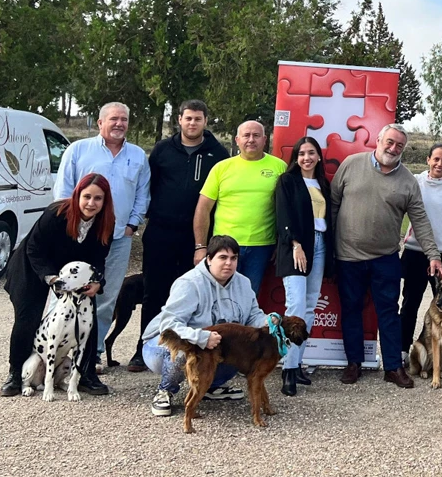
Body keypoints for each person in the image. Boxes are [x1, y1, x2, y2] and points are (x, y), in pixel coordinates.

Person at [331, 124, 442, 388]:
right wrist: (331, 247)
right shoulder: (351, 164)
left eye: (399, 146)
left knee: (389, 313)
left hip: (386, 258)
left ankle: (393, 366)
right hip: (348, 257)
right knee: (351, 310)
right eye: (390, 142)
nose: (393, 149)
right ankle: (353, 363)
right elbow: (334, 204)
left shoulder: (407, 181)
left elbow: (420, 220)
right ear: (378, 139)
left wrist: (433, 255)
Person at [54, 101, 150, 386]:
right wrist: (67, 227)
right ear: (99, 123)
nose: (119, 124)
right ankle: (60, 353)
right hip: (80, 236)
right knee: (68, 291)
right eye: (113, 119)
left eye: (124, 119)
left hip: (119, 238)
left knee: (106, 297)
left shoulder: (137, 156)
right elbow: (62, 191)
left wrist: (133, 224)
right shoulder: (79, 150)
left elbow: (143, 194)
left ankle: (92, 354)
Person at [132, 99, 229, 372]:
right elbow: (148, 188)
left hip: (196, 237)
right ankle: (144, 348)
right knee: (154, 291)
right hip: (161, 232)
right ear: (179, 120)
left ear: (205, 121)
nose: (192, 123)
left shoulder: (218, 154)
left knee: (192, 295)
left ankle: (188, 351)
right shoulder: (162, 150)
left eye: (198, 119)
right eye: (188, 118)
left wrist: (205, 242)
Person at [0, 174, 115, 397]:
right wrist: (51, 278)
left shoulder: (107, 222)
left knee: (87, 316)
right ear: (77, 195)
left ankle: (87, 374)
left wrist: (97, 283)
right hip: (33, 267)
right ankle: (16, 373)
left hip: (72, 272)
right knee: (28, 318)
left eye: (98, 198)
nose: (91, 203)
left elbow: (99, 258)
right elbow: (34, 249)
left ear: (105, 201)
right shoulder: (57, 213)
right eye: (87, 197)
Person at [141, 235, 265, 417]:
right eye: (222, 257)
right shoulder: (189, 283)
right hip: (160, 346)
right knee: (185, 351)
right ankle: (165, 391)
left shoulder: (244, 283)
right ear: (208, 259)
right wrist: (201, 337)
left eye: (233, 258)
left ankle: (209, 387)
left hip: (213, 346)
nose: (228, 263)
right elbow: (169, 326)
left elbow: (253, 316)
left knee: (244, 348)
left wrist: (270, 322)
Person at [193, 120, 286, 293]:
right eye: (246, 135)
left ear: (265, 139)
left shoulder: (279, 167)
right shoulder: (221, 168)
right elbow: (203, 209)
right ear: (237, 140)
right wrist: (201, 247)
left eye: (256, 135)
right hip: (224, 246)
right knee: (218, 296)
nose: (251, 139)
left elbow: (287, 210)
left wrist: (281, 243)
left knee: (249, 298)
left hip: (262, 247)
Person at [274, 137, 334, 396]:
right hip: (295, 247)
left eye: (311, 153)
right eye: (301, 153)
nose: (306, 157)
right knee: (296, 306)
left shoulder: (323, 184)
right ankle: (287, 369)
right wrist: (296, 243)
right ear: (295, 158)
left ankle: (297, 363)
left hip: (319, 244)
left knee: (310, 306)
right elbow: (283, 215)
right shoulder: (287, 181)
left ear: (319, 157)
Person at [400, 143, 442, 359]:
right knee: (410, 302)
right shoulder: (416, 182)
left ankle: (437, 351)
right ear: (428, 160)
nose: (440, 163)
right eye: (436, 159)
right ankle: (402, 350)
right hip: (414, 252)